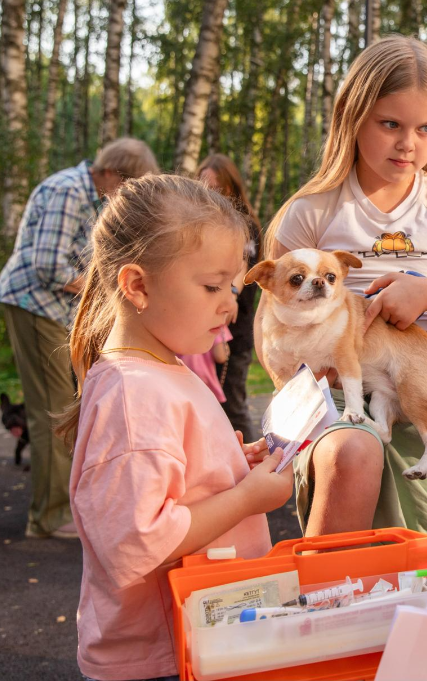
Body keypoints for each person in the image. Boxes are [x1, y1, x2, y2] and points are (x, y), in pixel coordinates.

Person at [54, 175, 293, 681]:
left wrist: (230, 466)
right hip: (163, 656)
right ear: (138, 285)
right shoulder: (133, 394)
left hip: (198, 635)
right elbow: (135, 542)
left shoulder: (163, 366)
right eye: (212, 287)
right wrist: (247, 498)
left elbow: (172, 484)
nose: (230, 305)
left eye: (230, 287)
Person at [261, 35, 427, 538]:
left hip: (420, 407)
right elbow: (272, 332)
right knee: (344, 531)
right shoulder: (311, 212)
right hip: (333, 408)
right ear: (352, 116)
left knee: (403, 560)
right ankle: (327, 605)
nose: (407, 143)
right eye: (389, 123)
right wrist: (315, 380)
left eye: (425, 128)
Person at [0, 138, 159, 539]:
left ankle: (56, 508)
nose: (125, 198)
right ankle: (48, 518)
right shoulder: (68, 191)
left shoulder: (86, 195)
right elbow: (48, 266)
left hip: (51, 310)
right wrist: (105, 287)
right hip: (33, 305)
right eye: (129, 186)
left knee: (67, 406)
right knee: (52, 411)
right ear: (113, 173)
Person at [197, 154, 260, 445]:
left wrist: (231, 294)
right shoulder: (206, 224)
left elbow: (242, 265)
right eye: (204, 186)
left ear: (231, 188)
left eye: (216, 187)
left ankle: (258, 466)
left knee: (232, 398)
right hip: (208, 324)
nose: (210, 193)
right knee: (206, 401)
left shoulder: (244, 224)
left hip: (236, 325)